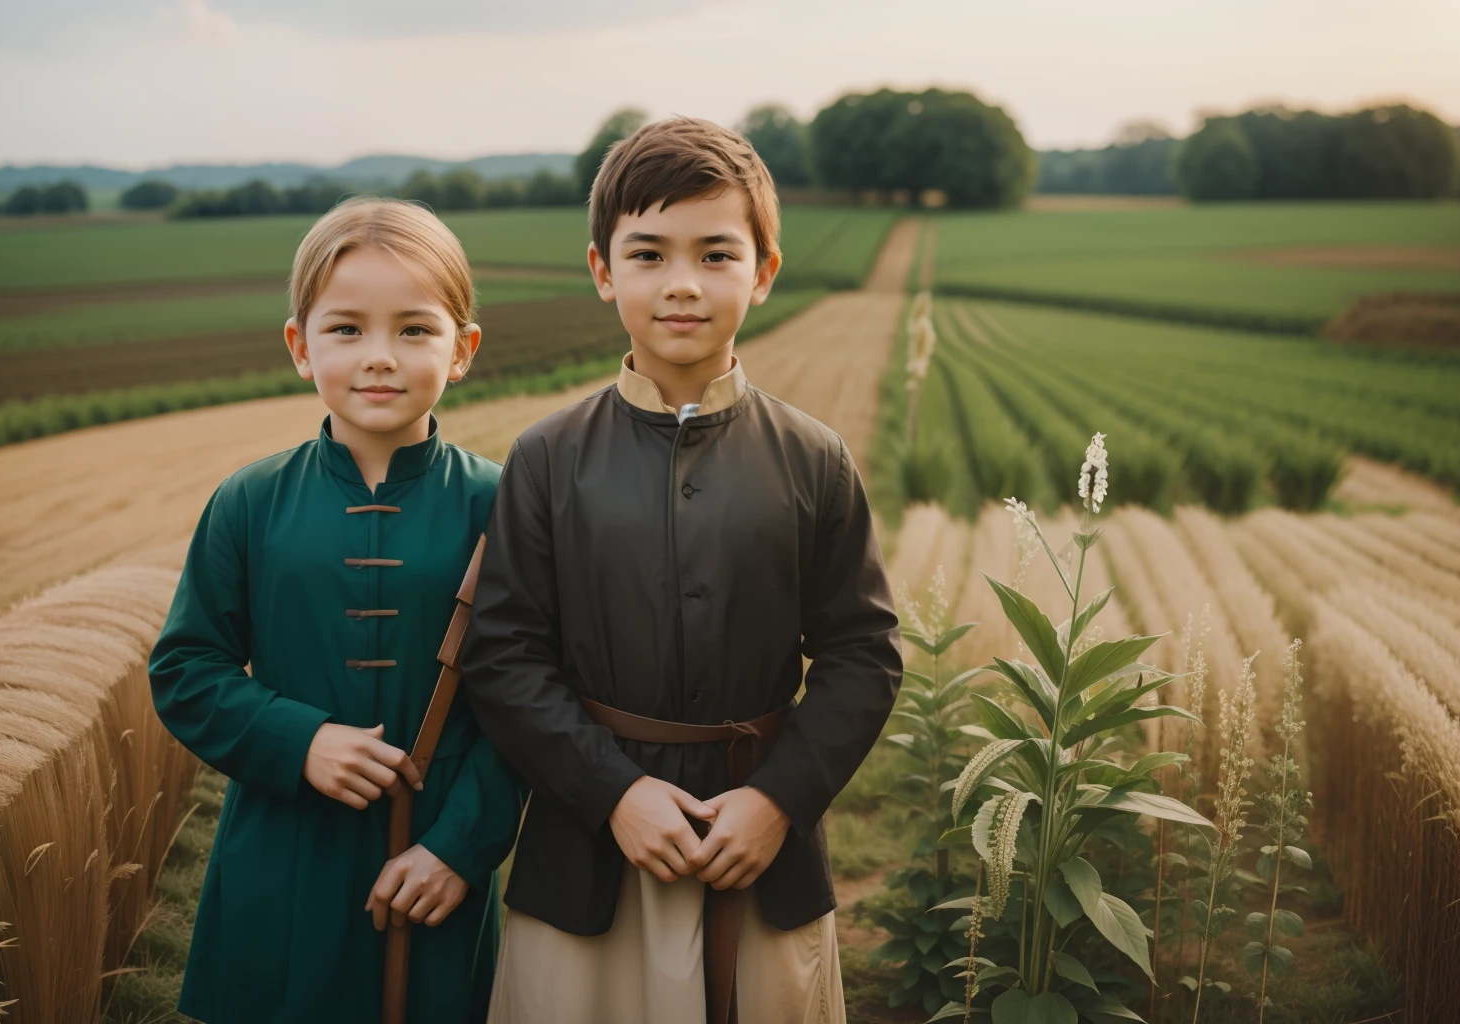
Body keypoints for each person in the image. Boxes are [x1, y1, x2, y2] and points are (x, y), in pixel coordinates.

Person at [462, 117, 903, 1024]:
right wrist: (613, 793)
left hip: (761, 851)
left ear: (764, 271)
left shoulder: (815, 459)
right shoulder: (545, 459)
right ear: (602, 271)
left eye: (715, 255)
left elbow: (865, 654)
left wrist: (776, 804)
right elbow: (502, 658)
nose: (682, 285)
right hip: (588, 854)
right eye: (649, 255)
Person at [149, 197, 523, 1024]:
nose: (379, 358)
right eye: (347, 329)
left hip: (435, 867)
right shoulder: (248, 500)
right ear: (299, 345)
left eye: (414, 330)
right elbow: (185, 670)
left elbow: (529, 699)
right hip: (282, 854)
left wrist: (461, 848)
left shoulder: (503, 506)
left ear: (462, 351)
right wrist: (301, 739)